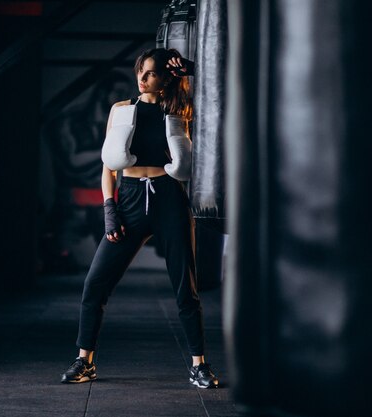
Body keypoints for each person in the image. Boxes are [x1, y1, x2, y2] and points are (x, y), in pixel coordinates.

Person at [60, 48, 218, 388]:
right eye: (140, 72)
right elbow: (107, 167)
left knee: (186, 290)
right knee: (95, 284)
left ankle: (199, 365)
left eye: (150, 74)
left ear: (165, 79)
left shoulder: (181, 110)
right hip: (129, 199)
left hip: (169, 200)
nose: (142, 79)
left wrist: (192, 71)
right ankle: (84, 361)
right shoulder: (121, 110)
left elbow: (221, 96)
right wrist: (109, 210)